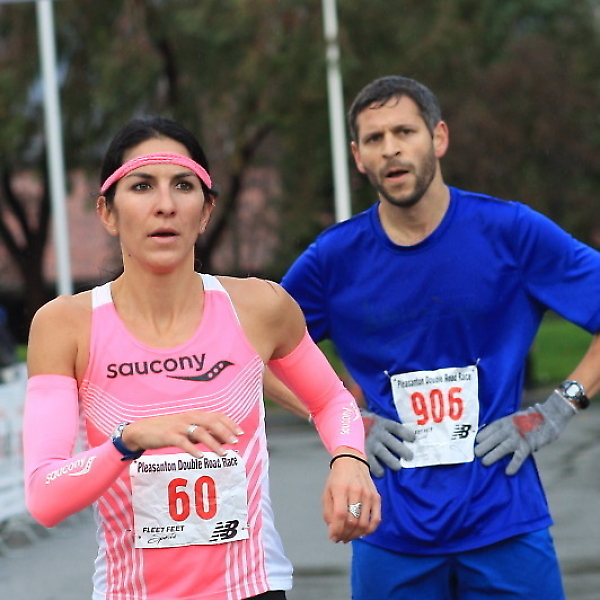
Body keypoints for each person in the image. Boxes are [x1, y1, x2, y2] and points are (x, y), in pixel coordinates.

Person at [266, 76, 600, 599]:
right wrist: (341, 417)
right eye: (374, 138)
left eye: (404, 131)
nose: (390, 148)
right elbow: (252, 356)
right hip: (388, 531)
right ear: (358, 157)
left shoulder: (510, 231)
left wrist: (559, 408)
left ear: (438, 138)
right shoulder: (333, 260)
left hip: (505, 523)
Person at [23, 116, 380, 600]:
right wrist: (128, 441)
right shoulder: (66, 325)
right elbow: (44, 496)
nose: (165, 205)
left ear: (206, 210)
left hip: (252, 588)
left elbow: (331, 401)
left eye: (183, 186)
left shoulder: (259, 307)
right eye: (142, 186)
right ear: (107, 212)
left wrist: (349, 459)